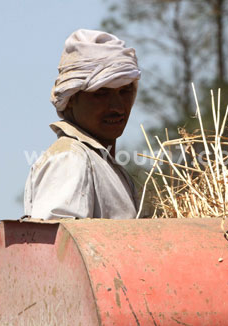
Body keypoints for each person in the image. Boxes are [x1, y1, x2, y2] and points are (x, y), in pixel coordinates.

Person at [23, 29, 141, 220]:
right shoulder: (70, 159)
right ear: (70, 99)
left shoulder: (103, 164)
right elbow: (59, 244)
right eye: (101, 93)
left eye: (125, 91)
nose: (118, 107)